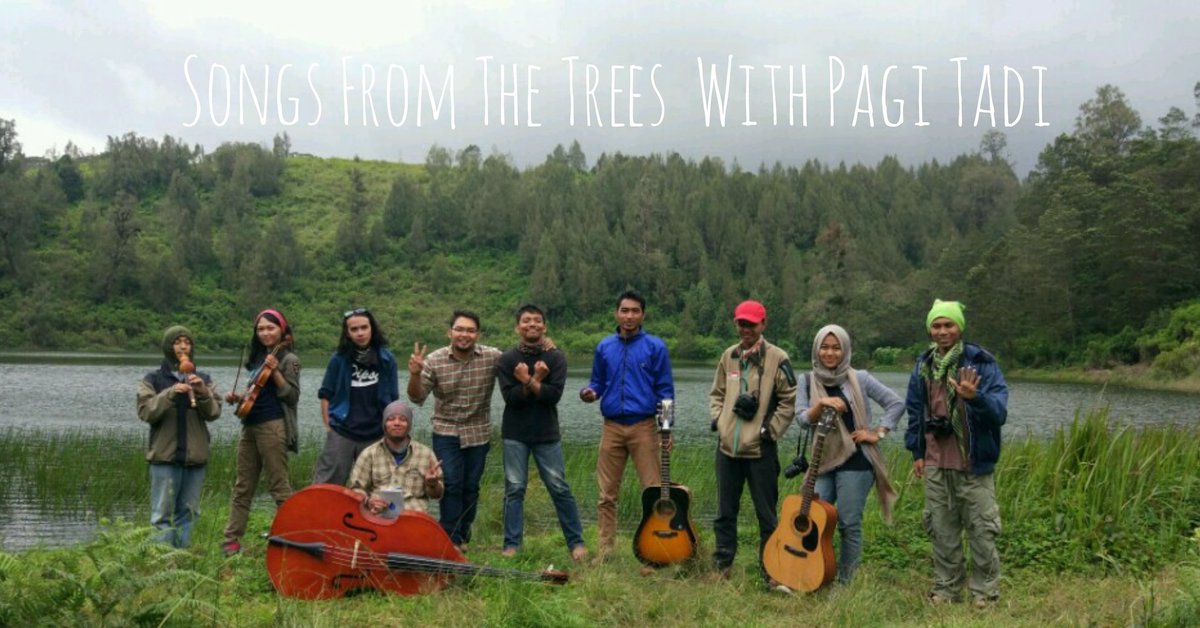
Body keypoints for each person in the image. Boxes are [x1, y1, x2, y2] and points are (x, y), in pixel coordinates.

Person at [904, 299, 1008, 608]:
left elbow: (999, 413)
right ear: (929, 330)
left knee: (982, 530)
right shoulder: (923, 365)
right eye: (936, 326)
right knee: (942, 530)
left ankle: (985, 593)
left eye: (948, 324)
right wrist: (917, 452)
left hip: (973, 461)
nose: (942, 331)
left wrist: (975, 398)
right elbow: (914, 412)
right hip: (936, 461)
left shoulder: (981, 363)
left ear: (959, 327)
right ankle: (947, 590)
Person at [797, 324, 903, 583]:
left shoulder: (860, 378)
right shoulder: (807, 380)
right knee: (812, 518)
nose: (830, 353)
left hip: (857, 461)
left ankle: (845, 582)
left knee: (848, 524)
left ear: (845, 351)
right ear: (816, 349)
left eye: (836, 348)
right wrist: (820, 405)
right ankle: (809, 575)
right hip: (822, 460)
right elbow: (801, 419)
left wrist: (878, 433)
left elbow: (896, 403)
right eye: (824, 347)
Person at [581, 290, 675, 561]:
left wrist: (666, 429)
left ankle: (655, 551)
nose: (629, 316)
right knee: (606, 495)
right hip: (611, 427)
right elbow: (598, 382)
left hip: (644, 427)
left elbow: (665, 390)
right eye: (624, 310)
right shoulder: (604, 347)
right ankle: (605, 551)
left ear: (643, 315)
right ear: (616, 313)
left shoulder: (655, 347)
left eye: (635, 311)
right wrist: (590, 393)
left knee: (653, 492)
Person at [709, 300, 797, 584]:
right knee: (725, 512)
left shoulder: (778, 358)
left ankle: (771, 571)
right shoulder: (729, 356)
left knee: (767, 516)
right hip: (727, 448)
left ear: (763, 324)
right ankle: (722, 566)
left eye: (751, 324)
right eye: (741, 323)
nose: (746, 329)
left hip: (761, 450)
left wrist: (769, 431)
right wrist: (720, 421)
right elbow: (717, 394)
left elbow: (789, 401)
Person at [496, 304, 587, 562]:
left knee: (559, 487)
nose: (532, 324)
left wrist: (528, 380)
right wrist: (535, 380)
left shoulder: (556, 358)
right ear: (518, 327)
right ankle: (512, 544)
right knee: (514, 489)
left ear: (544, 327)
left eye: (537, 320)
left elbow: (552, 396)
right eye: (526, 320)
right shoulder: (507, 359)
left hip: (547, 433)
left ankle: (576, 543)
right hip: (514, 433)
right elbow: (511, 399)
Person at [407, 309, 502, 551]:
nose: (464, 335)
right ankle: (450, 539)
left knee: (471, 487)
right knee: (451, 483)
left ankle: (463, 531)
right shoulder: (435, 360)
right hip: (446, 430)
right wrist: (415, 375)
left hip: (479, 432)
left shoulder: (492, 357)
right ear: (450, 332)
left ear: (478, 334)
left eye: (470, 330)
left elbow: (518, 359)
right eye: (459, 329)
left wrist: (545, 346)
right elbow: (416, 397)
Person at [221, 309, 300, 557]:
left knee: (278, 485)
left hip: (273, 426)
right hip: (250, 425)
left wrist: (275, 372)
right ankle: (231, 541)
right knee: (243, 486)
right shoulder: (258, 358)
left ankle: (295, 538)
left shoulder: (289, 359)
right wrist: (238, 398)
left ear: (282, 330)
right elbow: (254, 393)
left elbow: (292, 396)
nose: (265, 333)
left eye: (270, 328)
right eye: (261, 329)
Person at [136, 325, 221, 548]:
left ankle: (183, 558)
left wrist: (202, 392)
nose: (183, 347)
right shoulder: (153, 379)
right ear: (168, 347)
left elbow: (214, 413)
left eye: (187, 342)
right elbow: (146, 412)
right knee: (161, 516)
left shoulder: (203, 378)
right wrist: (170, 393)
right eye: (177, 342)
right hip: (164, 457)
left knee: (189, 514)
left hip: (195, 458)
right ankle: (164, 559)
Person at [314, 307, 400, 486]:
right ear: (347, 333)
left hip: (376, 432)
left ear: (372, 328)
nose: (360, 333)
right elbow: (325, 394)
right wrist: (329, 428)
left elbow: (393, 398)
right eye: (354, 329)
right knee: (327, 484)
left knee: (375, 486)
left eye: (364, 327)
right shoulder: (338, 360)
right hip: (342, 431)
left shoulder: (387, 359)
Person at [347, 400, 444, 514]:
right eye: (391, 419)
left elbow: (437, 495)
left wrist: (432, 484)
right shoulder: (369, 454)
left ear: (409, 425)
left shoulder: (426, 454)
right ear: (384, 424)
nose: (397, 423)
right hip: (378, 516)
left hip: (414, 516)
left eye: (402, 419)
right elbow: (356, 488)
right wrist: (368, 501)